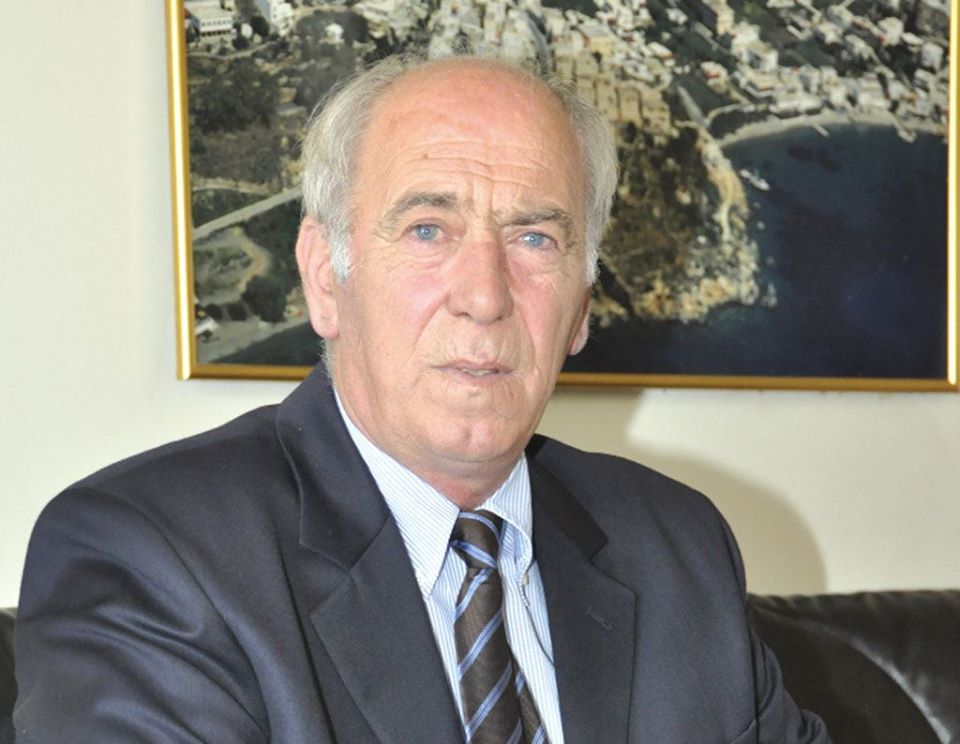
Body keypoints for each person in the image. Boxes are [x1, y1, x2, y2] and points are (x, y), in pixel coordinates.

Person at [14, 54, 830, 743]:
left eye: (534, 238)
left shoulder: (675, 547)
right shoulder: (151, 557)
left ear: (581, 309)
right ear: (324, 278)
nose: (485, 296)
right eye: (428, 230)